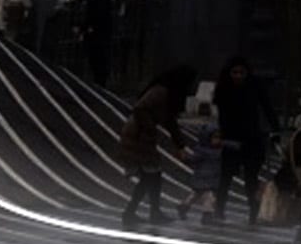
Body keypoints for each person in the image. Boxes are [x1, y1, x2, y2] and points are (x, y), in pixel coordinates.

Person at [117, 64, 196, 227]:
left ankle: (139, 212)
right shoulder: (161, 91)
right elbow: (140, 108)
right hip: (137, 136)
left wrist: (180, 145)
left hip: (140, 136)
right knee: (151, 176)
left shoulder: (168, 94)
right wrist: (150, 128)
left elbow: (170, 121)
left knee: (151, 177)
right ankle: (140, 212)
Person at [212, 54, 280, 225]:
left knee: (251, 178)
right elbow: (221, 116)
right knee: (226, 177)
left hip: (252, 138)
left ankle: (253, 211)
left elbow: (267, 107)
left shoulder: (255, 87)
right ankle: (219, 210)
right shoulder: (223, 89)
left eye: (241, 73)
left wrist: (276, 130)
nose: (238, 76)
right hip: (231, 139)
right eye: (234, 72)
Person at [81, 0, 115, 88]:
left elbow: (100, 14)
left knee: (99, 62)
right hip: (93, 33)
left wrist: (90, 27)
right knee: (94, 61)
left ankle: (100, 85)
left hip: (99, 34)